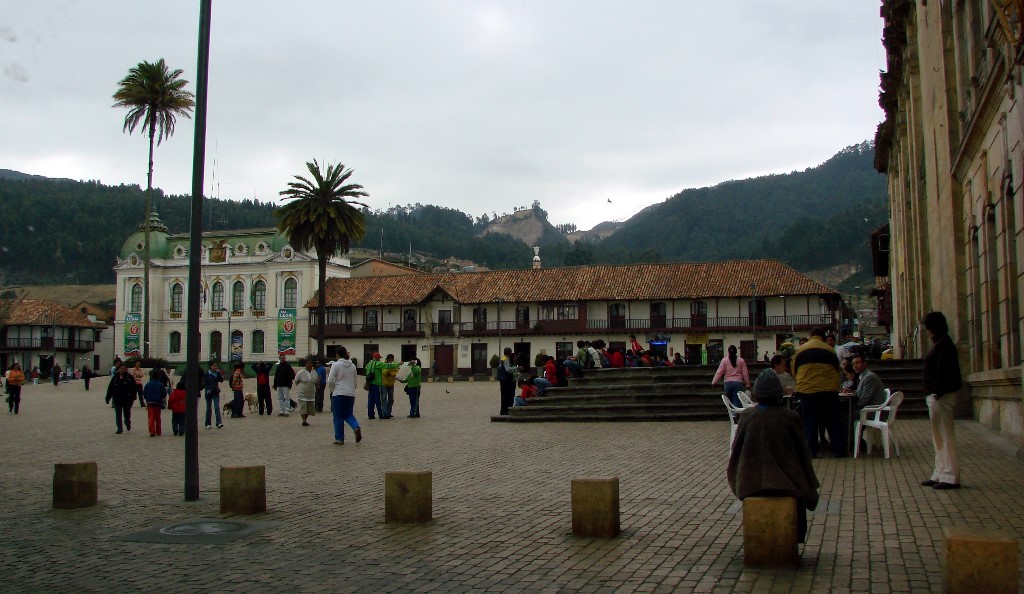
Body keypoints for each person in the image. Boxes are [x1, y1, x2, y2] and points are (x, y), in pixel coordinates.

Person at [728, 368, 820, 543]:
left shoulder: (748, 416)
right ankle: (796, 536)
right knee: (801, 490)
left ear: (757, 394)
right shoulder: (790, 417)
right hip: (787, 484)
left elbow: (737, 450)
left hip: (751, 483)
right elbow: (802, 454)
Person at [919, 311, 963, 490]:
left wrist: (936, 392)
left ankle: (950, 476)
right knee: (938, 436)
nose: (926, 330)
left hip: (941, 396)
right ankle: (940, 472)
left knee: (944, 435)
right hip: (938, 395)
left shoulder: (944, 344)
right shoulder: (941, 343)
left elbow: (943, 371)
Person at [792, 327, 845, 458]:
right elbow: (837, 370)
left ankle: (811, 451)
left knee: (810, 421)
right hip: (829, 391)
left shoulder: (800, 350)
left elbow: (794, 370)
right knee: (833, 421)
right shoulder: (830, 350)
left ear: (811, 336)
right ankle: (839, 449)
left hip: (808, 391)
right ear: (823, 337)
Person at [325, 346, 362, 444]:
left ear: (337, 355)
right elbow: (355, 381)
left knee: (338, 416)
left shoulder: (336, 365)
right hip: (350, 393)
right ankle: (356, 427)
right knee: (349, 414)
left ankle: (339, 438)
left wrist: (332, 389)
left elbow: (330, 380)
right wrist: (352, 389)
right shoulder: (352, 366)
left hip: (338, 393)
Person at [105, 364, 138, 434]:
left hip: (127, 399)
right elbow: (110, 388)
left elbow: (134, 388)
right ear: (118, 369)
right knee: (118, 414)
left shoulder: (130, 378)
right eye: (121, 368)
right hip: (117, 399)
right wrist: (108, 398)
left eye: (124, 368)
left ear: (126, 369)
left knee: (127, 414)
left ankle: (127, 422)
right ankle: (119, 428)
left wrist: (133, 397)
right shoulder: (115, 378)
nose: (122, 370)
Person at [142, 369, 167, 437]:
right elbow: (164, 393)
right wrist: (160, 398)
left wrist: (147, 398)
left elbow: (144, 393)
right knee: (158, 417)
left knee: (151, 417)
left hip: (150, 402)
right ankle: (158, 431)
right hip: (158, 402)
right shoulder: (160, 384)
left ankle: (152, 431)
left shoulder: (148, 384)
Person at [294, 358, 318, 426]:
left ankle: (305, 419)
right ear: (305, 364)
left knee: (309, 409)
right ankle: (303, 420)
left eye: (311, 363)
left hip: (311, 393)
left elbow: (315, 381)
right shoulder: (301, 372)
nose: (310, 364)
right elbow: (296, 381)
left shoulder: (314, 372)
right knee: (303, 408)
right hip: (302, 393)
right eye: (308, 363)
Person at [203, 362, 224, 429]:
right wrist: (207, 390)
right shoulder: (207, 374)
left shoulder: (217, 373)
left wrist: (220, 374)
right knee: (209, 408)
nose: (215, 367)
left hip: (216, 392)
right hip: (209, 393)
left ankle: (219, 423)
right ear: (210, 366)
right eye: (214, 366)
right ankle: (208, 423)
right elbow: (204, 383)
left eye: (216, 366)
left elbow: (221, 380)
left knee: (217, 407)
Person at [364, 352, 385, 419]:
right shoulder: (378, 363)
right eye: (379, 358)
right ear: (377, 358)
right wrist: (397, 364)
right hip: (377, 383)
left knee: (371, 400)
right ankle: (381, 414)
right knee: (379, 400)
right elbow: (387, 366)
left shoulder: (369, 363)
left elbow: (366, 368)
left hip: (370, 383)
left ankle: (370, 415)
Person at [497, 347, 517, 415]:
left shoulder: (502, 359)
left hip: (502, 379)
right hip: (506, 380)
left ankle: (503, 410)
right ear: (509, 352)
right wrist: (516, 368)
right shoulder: (506, 359)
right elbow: (508, 369)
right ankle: (505, 410)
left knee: (504, 395)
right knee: (507, 396)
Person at [380, 354, 399, 419]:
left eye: (392, 359)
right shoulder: (384, 364)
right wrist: (389, 369)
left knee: (391, 399)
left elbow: (397, 372)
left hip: (391, 383)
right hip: (384, 383)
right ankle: (384, 412)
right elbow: (384, 372)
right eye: (390, 359)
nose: (391, 360)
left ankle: (389, 412)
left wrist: (390, 373)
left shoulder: (394, 365)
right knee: (384, 398)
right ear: (387, 359)